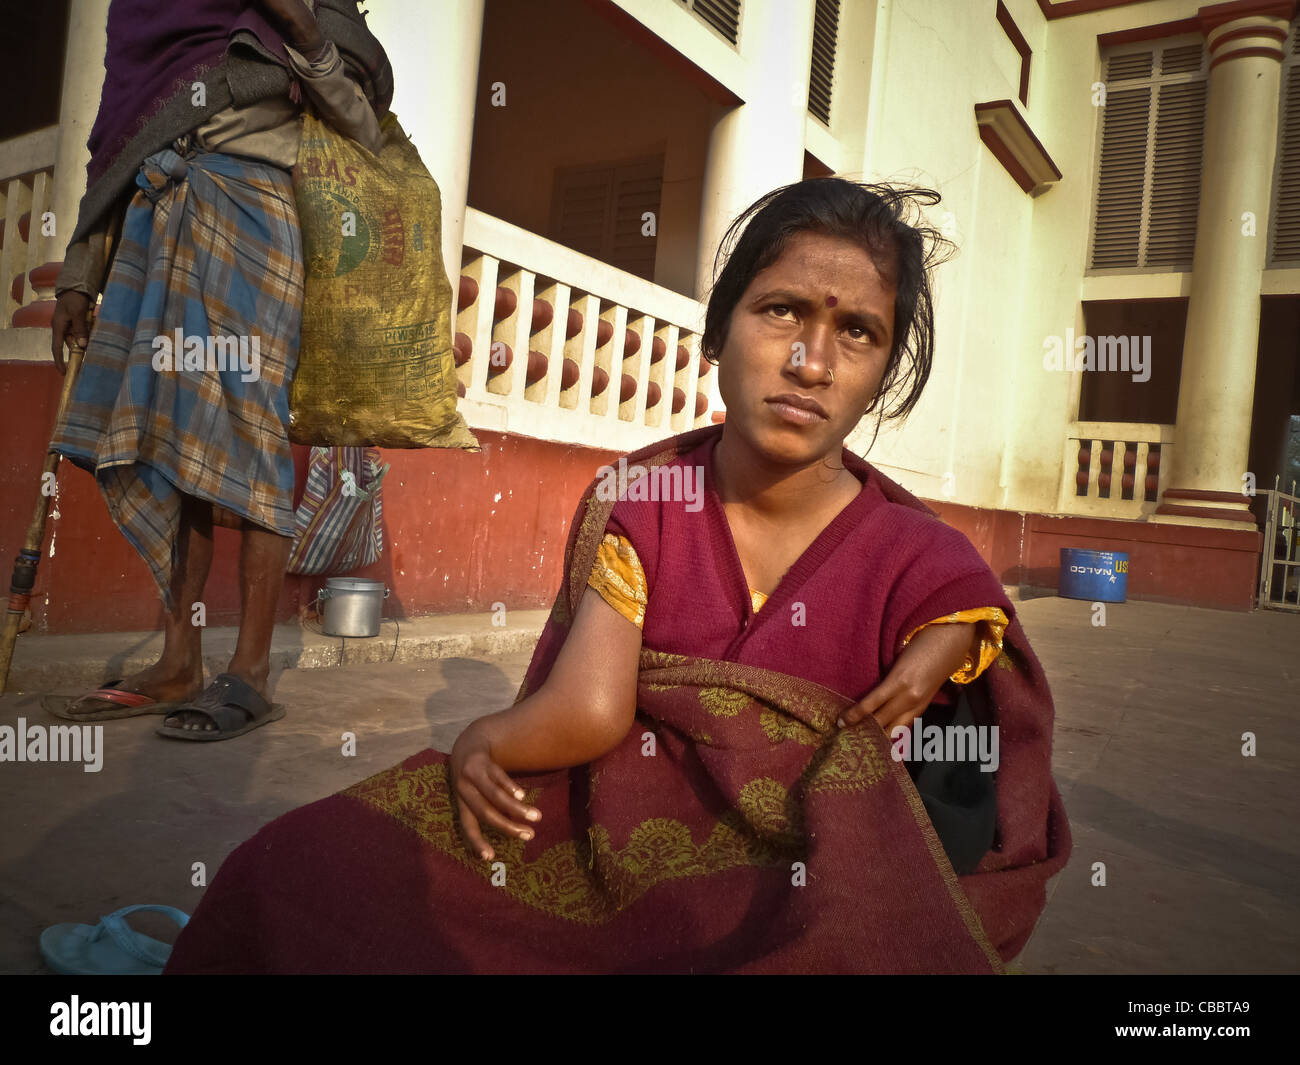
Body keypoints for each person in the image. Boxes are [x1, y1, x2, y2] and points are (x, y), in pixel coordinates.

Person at [165, 178, 1071, 972]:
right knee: (306, 865)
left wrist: (942, 644)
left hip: (810, 858)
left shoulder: (907, 545)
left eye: (858, 332)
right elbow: (592, 710)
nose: (811, 361)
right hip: (614, 832)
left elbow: (961, 602)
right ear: (719, 331)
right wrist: (487, 739)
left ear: (879, 378)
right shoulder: (648, 497)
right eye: (782, 310)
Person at [45, 0, 390, 739]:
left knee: (251, 435)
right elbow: (116, 143)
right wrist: (80, 273)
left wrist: (299, 28)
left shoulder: (306, 11)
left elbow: (364, 130)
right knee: (171, 442)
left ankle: (252, 670)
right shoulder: (142, 12)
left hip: (258, 219)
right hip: (153, 220)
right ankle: (179, 662)